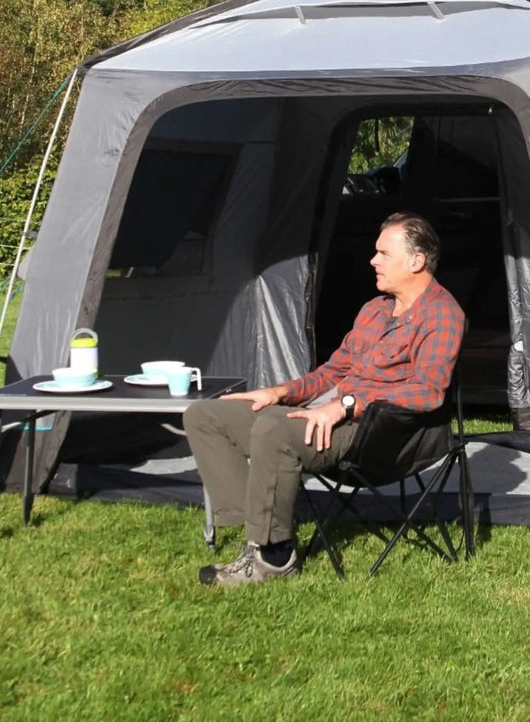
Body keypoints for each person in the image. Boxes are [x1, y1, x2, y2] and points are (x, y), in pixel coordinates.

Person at [184, 211, 464, 586]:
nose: (372, 261)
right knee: (206, 415)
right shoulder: (374, 311)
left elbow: (428, 390)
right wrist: (280, 392)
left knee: (273, 429)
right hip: (332, 418)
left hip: (378, 436)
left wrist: (347, 405)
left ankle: (273, 556)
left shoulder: (443, 314)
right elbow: (332, 373)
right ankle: (257, 525)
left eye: (383, 253)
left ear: (416, 261)